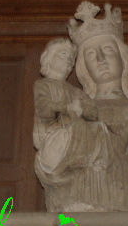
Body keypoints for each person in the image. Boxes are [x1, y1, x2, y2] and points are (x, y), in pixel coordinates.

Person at [47, 1, 128, 211]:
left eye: (107, 49)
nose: (101, 59)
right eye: (90, 55)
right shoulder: (75, 108)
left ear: (123, 58)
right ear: (83, 66)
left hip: (121, 193)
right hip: (80, 194)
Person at [33, 38, 98, 180]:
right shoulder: (43, 85)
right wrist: (67, 108)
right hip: (54, 137)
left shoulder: (76, 92)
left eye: (71, 58)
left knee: (98, 129)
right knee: (79, 125)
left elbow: (92, 113)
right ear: (48, 59)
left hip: (75, 134)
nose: (68, 60)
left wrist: (84, 110)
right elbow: (43, 109)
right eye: (63, 54)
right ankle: (71, 163)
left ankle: (88, 163)